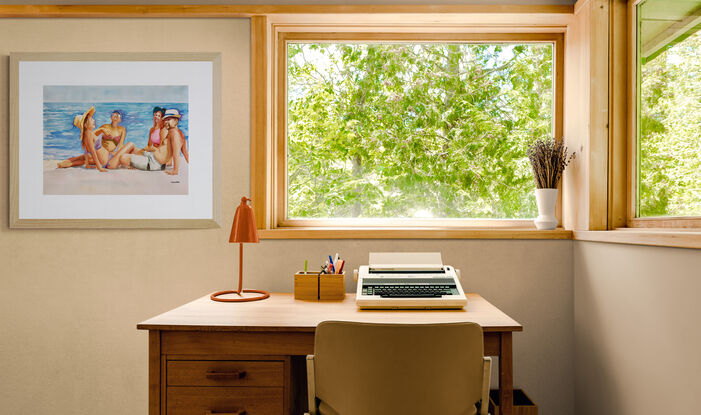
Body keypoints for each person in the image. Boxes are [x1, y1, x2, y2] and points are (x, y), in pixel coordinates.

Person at [58, 108, 135, 170]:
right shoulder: (89, 134)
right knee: (131, 144)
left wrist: (87, 164)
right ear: (85, 124)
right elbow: (93, 152)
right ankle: (67, 163)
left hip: (109, 156)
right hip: (108, 162)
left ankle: (66, 163)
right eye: (91, 120)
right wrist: (99, 168)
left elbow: (86, 151)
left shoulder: (87, 134)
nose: (94, 120)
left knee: (129, 149)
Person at [118, 109, 187, 174]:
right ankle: (135, 163)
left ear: (176, 121)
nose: (166, 122)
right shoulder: (177, 133)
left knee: (123, 158)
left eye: (168, 119)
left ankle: (134, 164)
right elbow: (185, 153)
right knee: (132, 151)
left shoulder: (174, 134)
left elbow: (176, 153)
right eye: (165, 120)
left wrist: (175, 170)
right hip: (152, 156)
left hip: (154, 163)